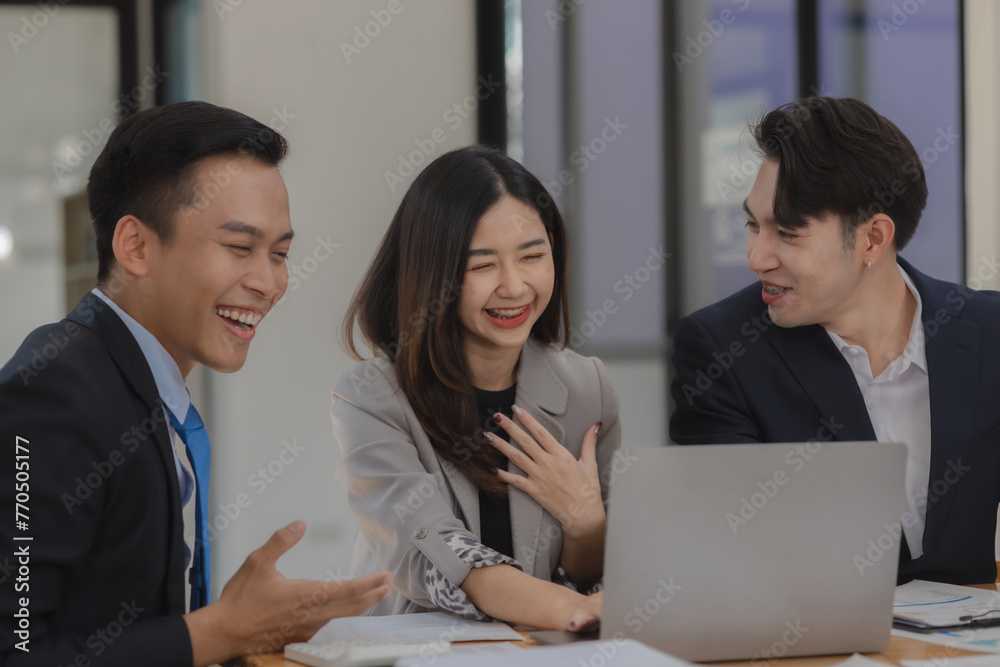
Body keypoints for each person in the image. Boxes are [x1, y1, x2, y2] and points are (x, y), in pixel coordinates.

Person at [0, 101, 391, 667]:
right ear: (135, 246)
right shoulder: (55, 392)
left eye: (280, 254)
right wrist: (223, 632)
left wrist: (238, 630)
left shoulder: (135, 380)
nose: (268, 283)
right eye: (240, 248)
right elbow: (14, 650)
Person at [670, 96, 1000, 585]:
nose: (756, 257)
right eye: (753, 225)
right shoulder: (721, 350)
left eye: (787, 233)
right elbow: (730, 552)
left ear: (873, 239)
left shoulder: (988, 331)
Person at [332, 146, 620, 630]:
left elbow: (600, 575)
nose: (514, 286)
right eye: (482, 265)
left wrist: (587, 525)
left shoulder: (589, 387)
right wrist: (571, 609)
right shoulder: (371, 398)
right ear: (433, 272)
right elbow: (442, 558)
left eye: (532, 256)